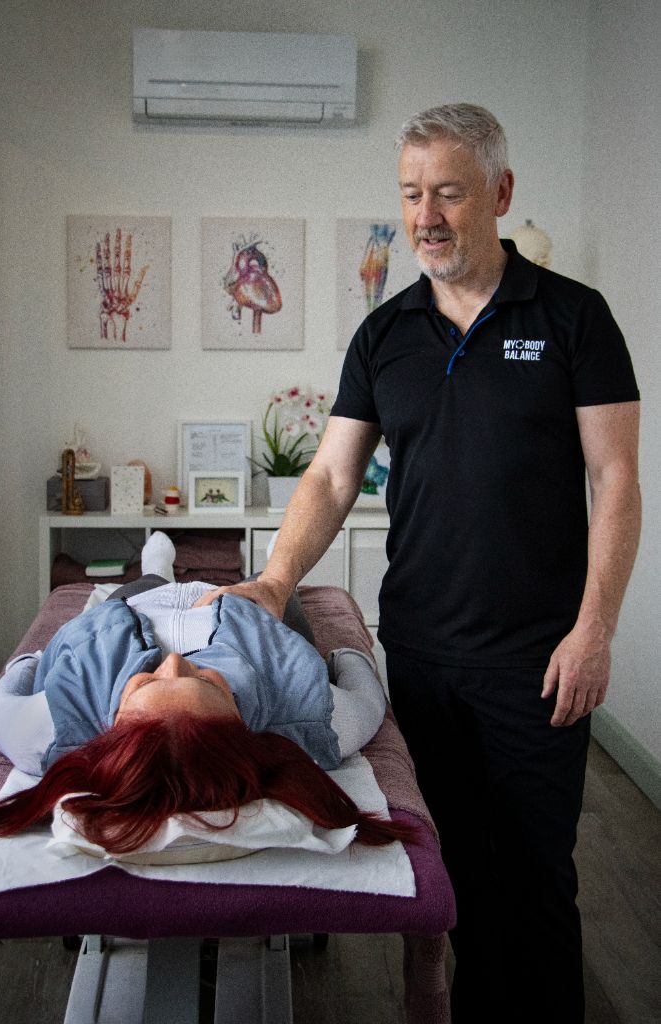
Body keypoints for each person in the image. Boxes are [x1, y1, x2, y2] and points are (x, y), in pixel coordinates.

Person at [195, 105, 642, 1023]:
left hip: (539, 659)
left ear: (500, 194)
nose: (425, 215)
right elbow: (329, 472)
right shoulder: (386, 333)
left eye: (447, 191)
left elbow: (618, 478)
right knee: (447, 864)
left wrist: (595, 628)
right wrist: (276, 580)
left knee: (534, 879)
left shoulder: (572, 318)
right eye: (410, 193)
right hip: (424, 655)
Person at [0, 532, 415, 855]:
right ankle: (272, 565)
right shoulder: (307, 719)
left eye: (148, 683)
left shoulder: (51, 729)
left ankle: (156, 567)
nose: (171, 664)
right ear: (243, 730)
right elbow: (369, 698)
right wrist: (345, 656)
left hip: (139, 613)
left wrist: (29, 663)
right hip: (248, 618)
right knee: (279, 597)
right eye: (205, 682)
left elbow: (2, 700)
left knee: (143, 584)